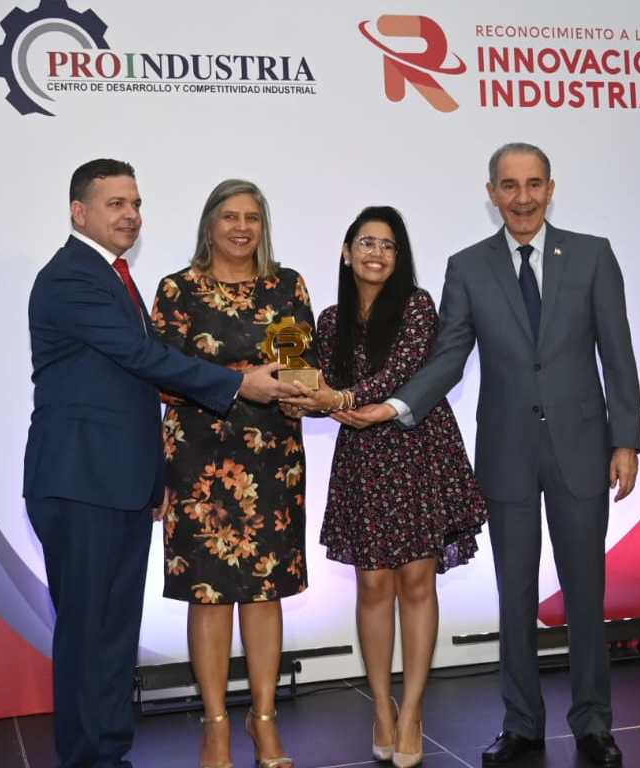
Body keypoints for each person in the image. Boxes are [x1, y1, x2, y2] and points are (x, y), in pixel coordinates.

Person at [343, 144, 640, 767]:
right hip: (506, 451)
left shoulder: (593, 254)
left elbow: (618, 351)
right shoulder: (468, 266)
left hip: (583, 449)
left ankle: (593, 723)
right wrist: (396, 406)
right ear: (492, 193)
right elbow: (449, 356)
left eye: (533, 184)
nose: (522, 198)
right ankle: (522, 724)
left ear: (551, 188)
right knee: (515, 592)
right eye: (509, 186)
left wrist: (626, 440)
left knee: (586, 590)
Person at [23, 159, 295, 768]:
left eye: (136, 203)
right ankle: (87, 758)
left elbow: (131, 385)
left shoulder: (113, 276)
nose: (130, 215)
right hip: (80, 481)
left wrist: (152, 476)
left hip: (118, 482)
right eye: (115, 203)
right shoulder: (71, 278)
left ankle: (109, 754)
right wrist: (238, 383)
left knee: (114, 634)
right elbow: (143, 358)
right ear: (79, 212)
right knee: (88, 633)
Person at [282, 206, 487, 768]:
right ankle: (381, 707)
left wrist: (343, 399)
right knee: (373, 585)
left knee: (417, 581)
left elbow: (399, 374)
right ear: (347, 252)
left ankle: (413, 709)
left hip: (417, 446)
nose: (376, 253)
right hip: (363, 459)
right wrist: (295, 384)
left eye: (388, 245)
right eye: (366, 243)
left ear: (399, 257)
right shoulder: (328, 320)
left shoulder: (417, 306)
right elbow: (314, 385)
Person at [149, 179, 312, 768]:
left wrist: (300, 391)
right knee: (209, 595)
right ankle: (215, 723)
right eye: (230, 217)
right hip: (199, 464)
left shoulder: (286, 286)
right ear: (209, 224)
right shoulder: (178, 290)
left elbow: (299, 368)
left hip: (272, 459)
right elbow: (160, 376)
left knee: (266, 592)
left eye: (252, 217)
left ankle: (263, 720)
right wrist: (240, 381)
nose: (242, 227)